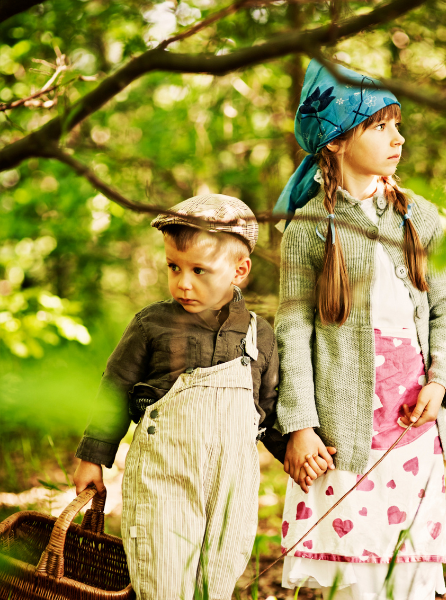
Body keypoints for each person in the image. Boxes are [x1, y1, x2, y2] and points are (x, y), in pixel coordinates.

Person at [272, 60, 446, 599]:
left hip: (413, 421)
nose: (397, 138)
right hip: (342, 429)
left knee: (408, 570)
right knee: (353, 575)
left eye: (396, 124)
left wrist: (442, 382)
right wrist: (299, 425)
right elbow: (291, 332)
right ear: (335, 141)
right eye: (379, 126)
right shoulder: (308, 230)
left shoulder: (420, 219)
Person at [73, 194, 286, 600]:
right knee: (164, 581)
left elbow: (266, 410)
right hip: (163, 484)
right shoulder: (153, 324)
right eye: (174, 267)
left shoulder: (259, 335)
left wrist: (295, 452)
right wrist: (92, 457)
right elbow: (115, 389)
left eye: (199, 270)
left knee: (216, 581)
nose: (182, 282)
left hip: (230, 489)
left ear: (240, 270)